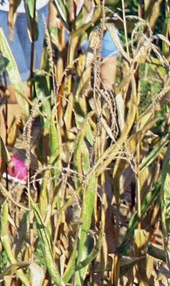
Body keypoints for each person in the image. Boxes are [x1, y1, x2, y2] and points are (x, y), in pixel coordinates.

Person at [1, 0, 120, 181]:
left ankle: (6, 159)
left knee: (27, 88)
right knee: (14, 89)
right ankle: (5, 158)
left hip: (37, 9)